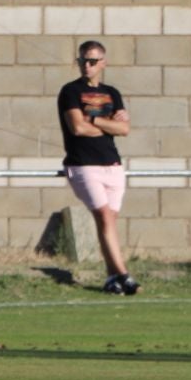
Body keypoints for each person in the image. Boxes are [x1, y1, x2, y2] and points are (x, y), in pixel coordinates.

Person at [59, 40, 138, 294]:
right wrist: (105, 123)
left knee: (109, 224)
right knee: (104, 217)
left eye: (93, 61)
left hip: (111, 164)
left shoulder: (112, 93)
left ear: (103, 63)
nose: (87, 66)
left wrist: (93, 118)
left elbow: (124, 129)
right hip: (84, 166)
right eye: (83, 60)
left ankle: (111, 278)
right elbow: (77, 128)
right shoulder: (71, 91)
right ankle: (124, 275)